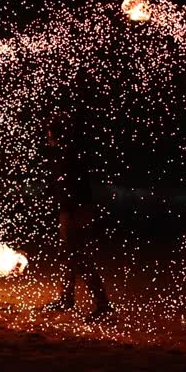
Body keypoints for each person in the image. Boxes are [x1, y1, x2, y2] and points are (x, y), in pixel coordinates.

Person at [41, 97, 112, 322]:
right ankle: (66, 298)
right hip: (70, 211)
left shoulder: (69, 154)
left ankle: (103, 305)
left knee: (79, 257)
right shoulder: (65, 153)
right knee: (69, 256)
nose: (47, 136)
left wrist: (77, 214)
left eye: (49, 132)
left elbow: (77, 186)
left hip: (75, 212)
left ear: (56, 133)